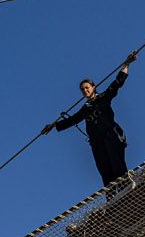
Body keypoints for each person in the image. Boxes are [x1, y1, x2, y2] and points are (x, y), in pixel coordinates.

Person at [41, 52, 137, 188]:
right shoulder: (85, 109)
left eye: (87, 87)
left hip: (110, 137)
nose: (85, 90)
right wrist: (53, 125)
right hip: (97, 143)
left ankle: (127, 188)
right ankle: (111, 200)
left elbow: (116, 84)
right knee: (105, 171)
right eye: (82, 89)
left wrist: (126, 64)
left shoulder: (103, 97)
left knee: (117, 165)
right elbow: (72, 120)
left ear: (93, 87)